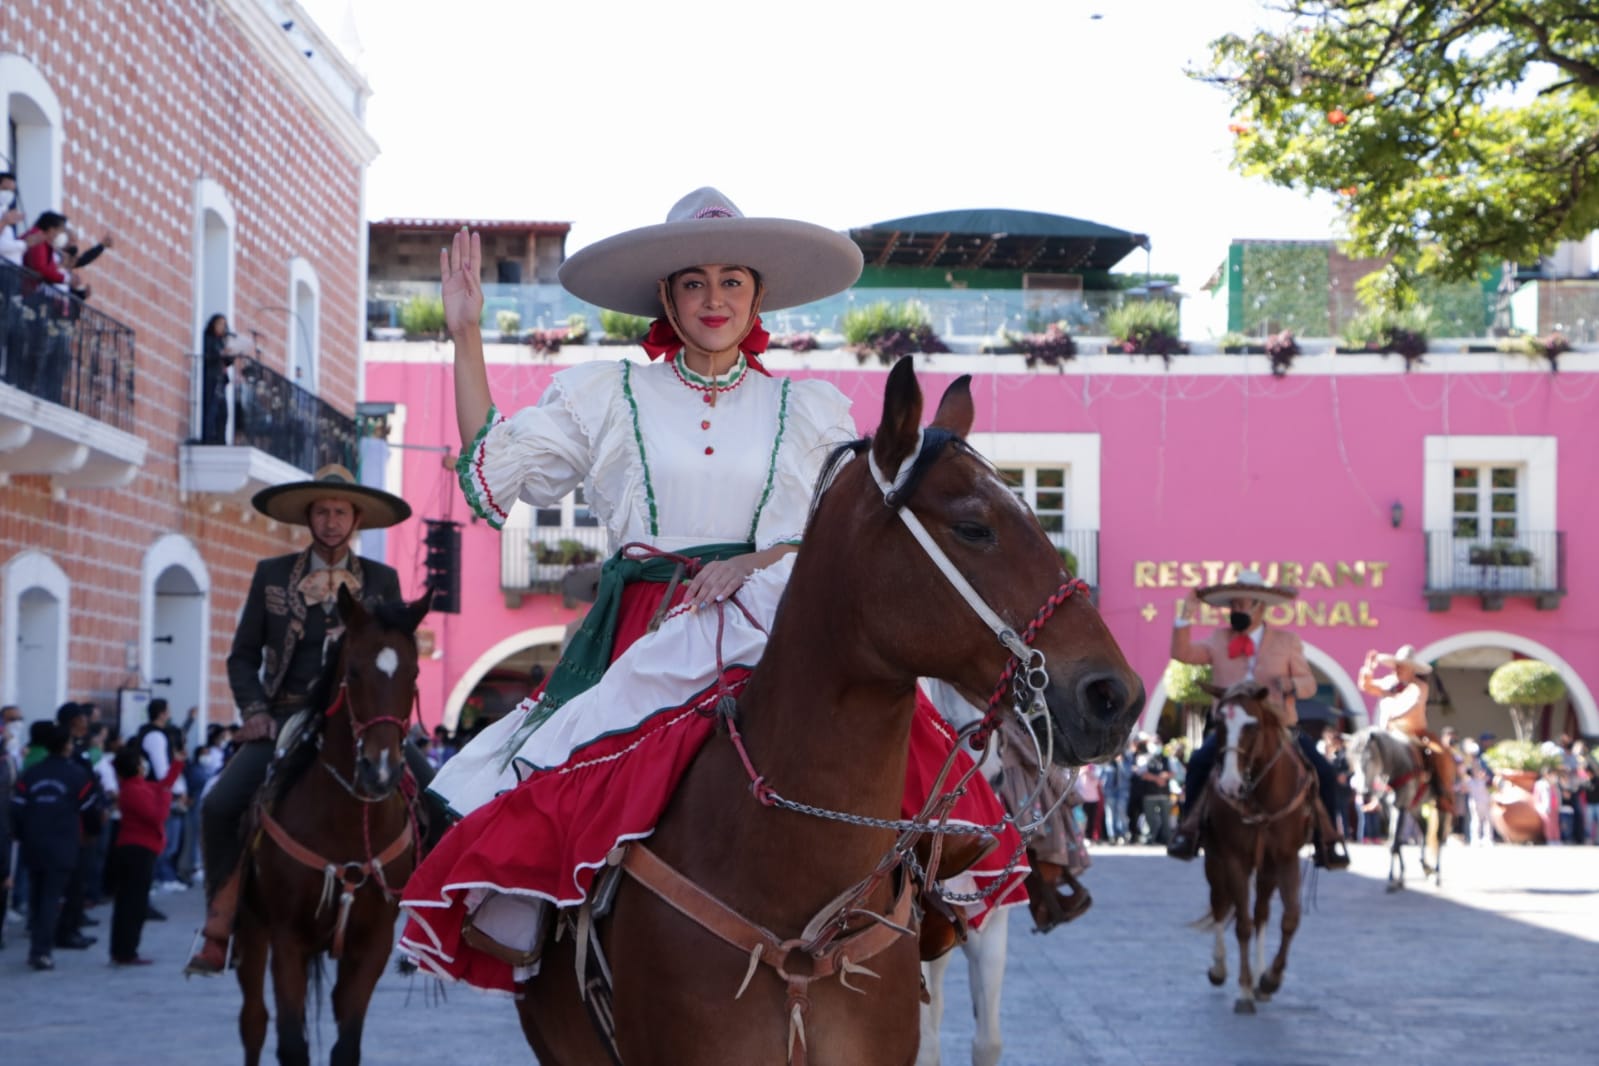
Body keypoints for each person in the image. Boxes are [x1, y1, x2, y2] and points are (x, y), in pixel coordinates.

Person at [399, 189, 1028, 991]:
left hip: (773, 618)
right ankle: (565, 946)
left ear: (757, 297)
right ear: (666, 297)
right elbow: (495, 470)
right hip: (646, 627)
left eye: (733, 281)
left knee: (878, 737)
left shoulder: (806, 407)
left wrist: (762, 561)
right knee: (570, 772)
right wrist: (464, 337)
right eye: (694, 282)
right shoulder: (606, 395)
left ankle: (915, 897)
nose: (714, 299)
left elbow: (847, 530)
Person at [185, 464, 426, 975]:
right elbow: (242, 656)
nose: (332, 520)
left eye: (340, 511)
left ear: (356, 518)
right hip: (288, 715)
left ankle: (425, 924)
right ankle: (219, 922)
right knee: (220, 804)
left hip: (361, 717)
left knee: (438, 796)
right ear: (309, 518)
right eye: (322, 511)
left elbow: (395, 649)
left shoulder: (382, 580)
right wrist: (254, 713)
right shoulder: (271, 575)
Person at [1164, 570, 1349, 868]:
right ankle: (1189, 830)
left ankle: (1327, 839)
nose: (1236, 610)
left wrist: (1290, 686)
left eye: (1242, 605)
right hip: (1233, 729)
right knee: (1198, 763)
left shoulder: (1287, 641)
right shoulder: (1218, 638)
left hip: (1280, 726)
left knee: (1324, 771)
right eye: (1233, 605)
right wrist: (1185, 615)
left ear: (1260, 607)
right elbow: (1182, 653)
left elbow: (1309, 683)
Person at [11, 722, 97, 970]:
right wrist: (91, 833)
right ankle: (41, 950)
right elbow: (89, 809)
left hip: (33, 840)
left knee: (37, 895)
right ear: (67, 746)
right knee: (50, 897)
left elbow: (16, 808)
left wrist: (19, 833)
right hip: (62, 842)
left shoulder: (31, 774)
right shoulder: (76, 775)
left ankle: (37, 945)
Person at [1357, 645, 1456, 817]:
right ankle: (1374, 795)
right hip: (1389, 733)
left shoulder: (1419, 686)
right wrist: (1368, 669)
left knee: (1438, 754)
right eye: (1397, 665)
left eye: (1402, 665)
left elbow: (1414, 706)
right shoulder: (1389, 682)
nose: (1398, 669)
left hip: (1414, 733)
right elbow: (1367, 686)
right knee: (1371, 755)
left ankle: (1442, 793)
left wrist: (1393, 716)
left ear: (1412, 668)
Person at [108, 741, 182, 965]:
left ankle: (124, 949)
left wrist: (177, 765)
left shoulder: (138, 786)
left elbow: (161, 786)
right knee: (133, 903)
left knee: (131, 901)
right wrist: (168, 796)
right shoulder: (133, 790)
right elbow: (157, 815)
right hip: (137, 850)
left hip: (140, 849)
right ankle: (126, 950)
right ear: (137, 767)